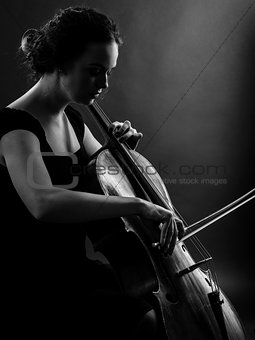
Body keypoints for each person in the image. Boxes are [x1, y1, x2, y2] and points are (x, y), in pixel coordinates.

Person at [0, 6, 184, 339]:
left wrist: (120, 151)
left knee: (156, 306)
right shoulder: (14, 125)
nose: (104, 84)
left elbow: (106, 180)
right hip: (32, 284)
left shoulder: (73, 121)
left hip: (75, 273)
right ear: (61, 61)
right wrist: (141, 207)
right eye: (95, 71)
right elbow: (43, 202)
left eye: (109, 72)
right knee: (145, 322)